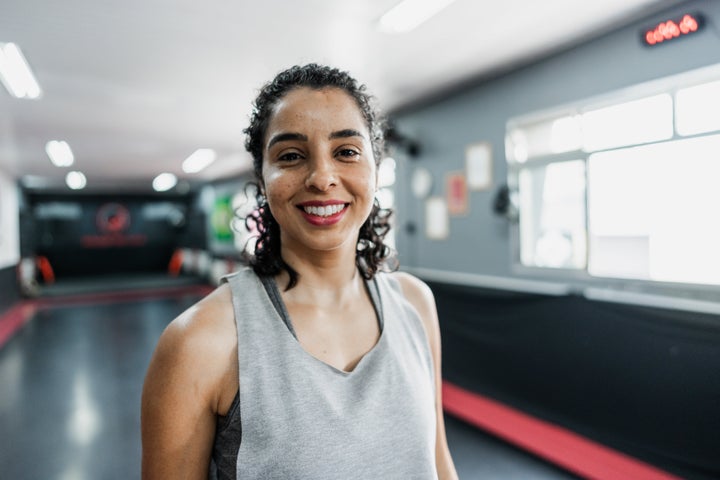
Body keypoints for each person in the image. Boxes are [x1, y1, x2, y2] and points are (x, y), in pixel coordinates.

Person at [141, 63, 458, 479]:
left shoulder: (415, 303)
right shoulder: (200, 343)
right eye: (291, 156)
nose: (322, 177)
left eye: (346, 152)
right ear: (263, 177)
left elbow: (437, 461)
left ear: (376, 169)